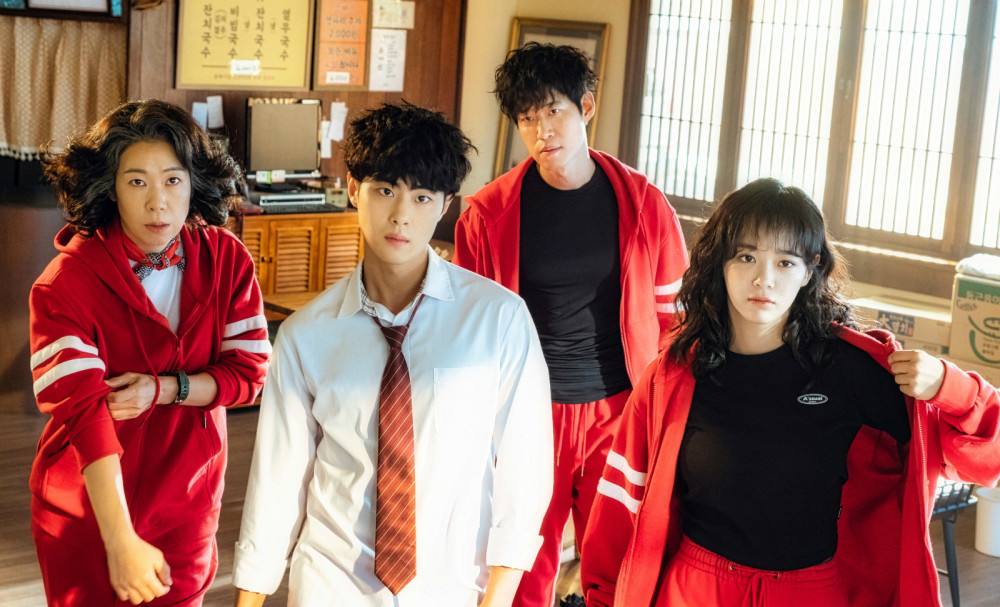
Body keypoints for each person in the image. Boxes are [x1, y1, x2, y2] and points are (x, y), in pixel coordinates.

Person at [579, 178, 1000, 607]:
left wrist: (950, 387)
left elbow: (990, 457)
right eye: (746, 256)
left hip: (809, 592)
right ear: (720, 262)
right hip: (695, 589)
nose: (763, 279)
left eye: (785, 262)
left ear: (810, 269)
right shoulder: (673, 377)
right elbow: (620, 508)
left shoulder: (853, 370)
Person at [232, 102, 553, 607]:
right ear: (353, 189)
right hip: (330, 584)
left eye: (422, 197)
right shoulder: (304, 335)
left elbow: (525, 468)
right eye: (385, 190)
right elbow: (277, 478)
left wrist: (497, 597)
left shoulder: (498, 320)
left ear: (445, 204)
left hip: (450, 585)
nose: (401, 214)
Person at [453, 42, 689, 607]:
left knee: (619, 561)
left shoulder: (644, 204)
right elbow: (468, 331)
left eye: (553, 111)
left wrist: (667, 413)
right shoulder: (488, 214)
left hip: (620, 410)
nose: (542, 131)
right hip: (527, 413)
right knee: (520, 564)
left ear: (586, 106)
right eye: (526, 119)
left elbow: (675, 321)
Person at [29, 99, 270, 606]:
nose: (158, 203)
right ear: (110, 188)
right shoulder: (64, 283)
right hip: (87, 513)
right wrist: (119, 540)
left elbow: (249, 376)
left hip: (189, 504)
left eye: (172, 180)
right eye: (137, 181)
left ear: (194, 183)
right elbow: (85, 414)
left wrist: (164, 389)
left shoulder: (227, 259)